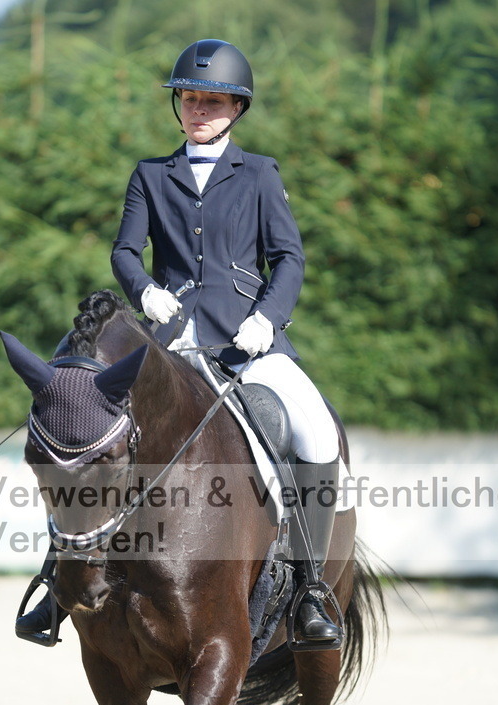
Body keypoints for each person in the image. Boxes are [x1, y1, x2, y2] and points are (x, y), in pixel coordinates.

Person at [111, 38, 342, 647]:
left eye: (212, 101)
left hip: (248, 343)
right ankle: (64, 577)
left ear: (236, 108)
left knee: (316, 430)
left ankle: (312, 584)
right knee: (92, 422)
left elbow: (288, 256)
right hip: (170, 343)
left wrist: (268, 317)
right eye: (189, 99)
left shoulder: (260, 172)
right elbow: (124, 250)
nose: (198, 110)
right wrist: (145, 292)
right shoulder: (151, 175)